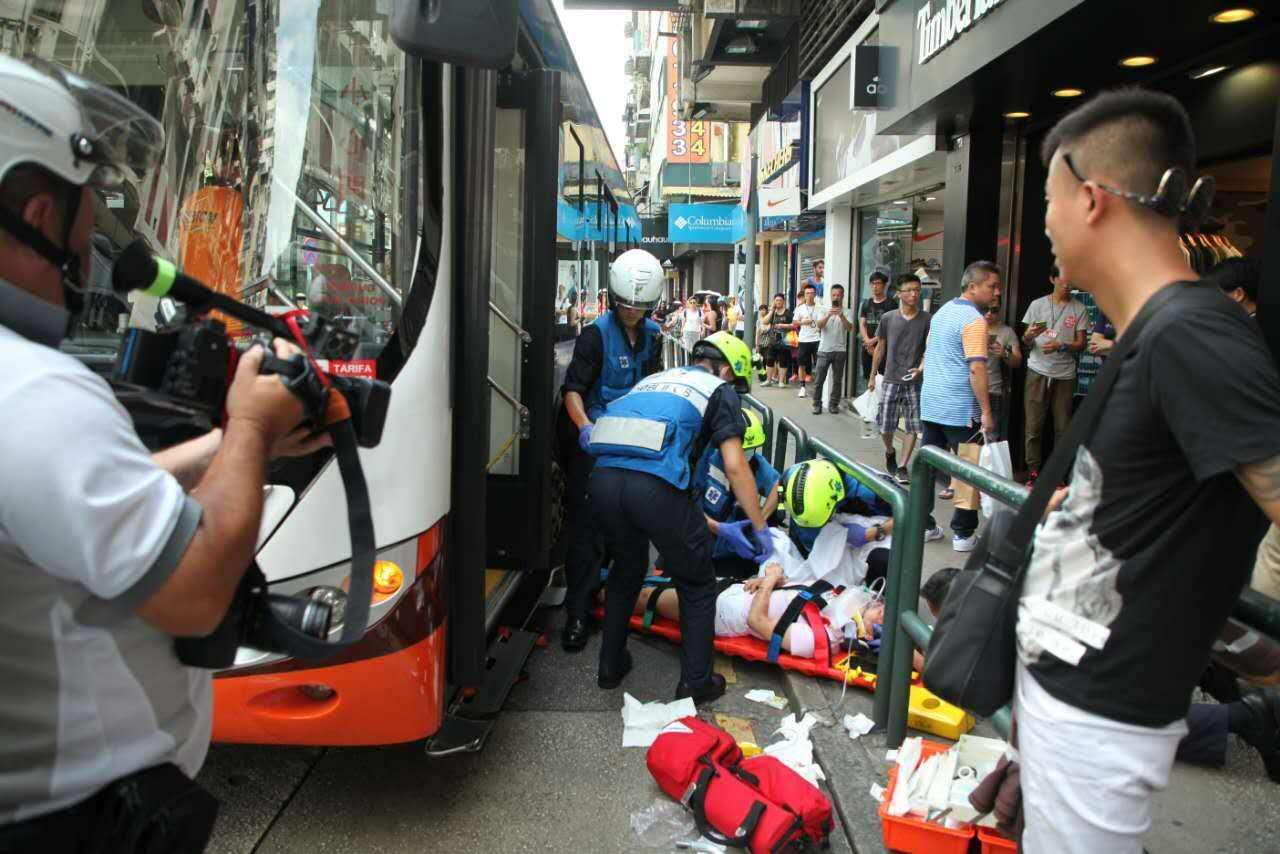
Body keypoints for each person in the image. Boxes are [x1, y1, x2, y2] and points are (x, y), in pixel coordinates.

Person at [0, 57, 321, 847]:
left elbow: (56, 514)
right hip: (71, 822)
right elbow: (192, 594)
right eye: (92, 208)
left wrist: (224, 444)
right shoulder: (35, 391)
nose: (101, 233)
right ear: (43, 211)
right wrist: (247, 431)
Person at [1014, 88, 1280, 854]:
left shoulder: (1193, 332)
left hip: (1101, 713)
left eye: (1049, 200)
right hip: (1071, 707)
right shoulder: (1159, 329)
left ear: (1091, 199)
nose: (1045, 224)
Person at [586, 332, 770, 703]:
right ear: (728, 371)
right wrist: (760, 528)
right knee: (697, 583)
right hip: (653, 490)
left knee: (627, 568)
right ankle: (696, 682)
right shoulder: (720, 391)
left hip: (602, 482)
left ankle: (610, 666)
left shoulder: (654, 380)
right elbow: (735, 466)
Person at [558, 248, 664, 652]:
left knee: (629, 530)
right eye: (626, 305)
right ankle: (577, 614)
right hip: (597, 443)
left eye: (640, 306)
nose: (632, 312)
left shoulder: (653, 336)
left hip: (635, 443)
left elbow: (654, 388)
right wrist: (584, 428)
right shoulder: (595, 336)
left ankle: (613, 604)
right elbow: (573, 392)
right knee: (587, 530)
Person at [919, 260, 1001, 553]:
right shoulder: (974, 321)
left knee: (927, 468)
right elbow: (977, 368)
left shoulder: (941, 313)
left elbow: (929, 352)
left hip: (931, 403)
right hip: (960, 407)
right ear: (972, 286)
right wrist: (987, 413)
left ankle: (923, 525)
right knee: (967, 471)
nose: (997, 293)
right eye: (992, 286)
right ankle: (963, 534)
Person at [773, 459, 895, 590]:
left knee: (882, 562)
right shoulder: (793, 475)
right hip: (825, 531)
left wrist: (873, 533)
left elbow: (910, 512)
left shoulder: (872, 489)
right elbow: (778, 486)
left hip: (874, 533)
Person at [691, 408, 782, 579]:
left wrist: (760, 520)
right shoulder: (704, 462)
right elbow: (684, 507)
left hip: (730, 556)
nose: (744, 458)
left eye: (749, 451)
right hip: (697, 541)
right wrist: (718, 528)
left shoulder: (759, 467)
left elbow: (779, 485)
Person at [1021, 265, 1089, 483]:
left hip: (1065, 374)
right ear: (1052, 279)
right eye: (1063, 279)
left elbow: (1081, 344)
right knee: (1033, 426)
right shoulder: (1037, 305)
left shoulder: (1079, 308)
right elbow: (1025, 339)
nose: (1067, 284)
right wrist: (1028, 335)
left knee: (1063, 428)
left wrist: (1062, 345)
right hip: (1037, 370)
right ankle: (1033, 471)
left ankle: (1058, 474)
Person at [869, 275, 931, 487]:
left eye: (917, 290)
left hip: (914, 381)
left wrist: (921, 369)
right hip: (891, 378)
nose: (914, 294)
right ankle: (890, 451)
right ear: (899, 293)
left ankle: (903, 466)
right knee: (885, 426)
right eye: (909, 290)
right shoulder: (888, 318)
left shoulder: (926, 319)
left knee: (913, 426)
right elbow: (880, 347)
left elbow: (928, 349)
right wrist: (872, 375)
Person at [812, 283, 854, 415]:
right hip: (824, 350)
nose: (836, 297)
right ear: (830, 295)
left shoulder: (847, 311)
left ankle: (833, 404)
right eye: (834, 295)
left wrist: (841, 316)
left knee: (837, 380)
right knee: (819, 380)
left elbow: (850, 328)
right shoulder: (824, 310)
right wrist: (829, 315)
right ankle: (816, 404)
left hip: (840, 350)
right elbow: (819, 325)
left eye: (839, 295)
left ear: (843, 296)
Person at [982, 300, 1022, 441]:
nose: (989, 313)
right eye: (985, 309)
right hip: (967, 388)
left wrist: (1004, 353)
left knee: (991, 439)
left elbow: (1017, 361)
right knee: (965, 439)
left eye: (994, 310)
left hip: (992, 389)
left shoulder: (1006, 331)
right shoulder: (969, 327)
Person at [858, 271, 898, 385]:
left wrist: (873, 341)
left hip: (883, 347)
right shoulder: (866, 303)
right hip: (867, 347)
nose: (875, 286)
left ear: (884, 285)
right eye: (872, 283)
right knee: (868, 377)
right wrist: (867, 341)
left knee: (882, 377)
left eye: (878, 283)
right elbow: (862, 323)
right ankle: (870, 401)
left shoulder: (891, 304)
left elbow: (891, 328)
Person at [793, 284, 822, 398]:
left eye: (811, 293)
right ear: (804, 295)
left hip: (817, 339)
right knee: (802, 364)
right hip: (804, 339)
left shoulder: (820, 307)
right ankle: (802, 387)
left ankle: (818, 388)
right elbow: (794, 322)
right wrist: (802, 322)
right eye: (807, 293)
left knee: (819, 364)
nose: (809, 296)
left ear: (815, 294)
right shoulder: (800, 308)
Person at [759, 293, 794, 387]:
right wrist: (771, 311)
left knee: (783, 360)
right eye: (776, 300)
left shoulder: (788, 313)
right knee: (770, 360)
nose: (778, 302)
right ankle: (768, 380)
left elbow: (794, 325)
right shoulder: (773, 312)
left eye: (780, 300)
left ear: (783, 302)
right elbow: (764, 321)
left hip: (784, 340)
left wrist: (783, 325)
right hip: (773, 340)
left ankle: (781, 381)